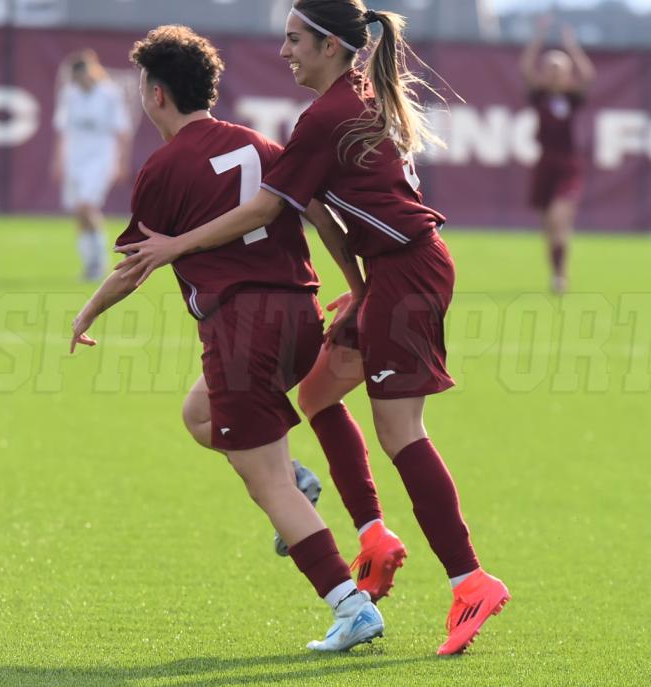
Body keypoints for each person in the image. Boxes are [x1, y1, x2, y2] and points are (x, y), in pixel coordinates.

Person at [114, 1, 510, 656]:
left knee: (401, 431)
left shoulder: (324, 118)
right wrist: (361, 288)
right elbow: (326, 210)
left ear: (330, 47)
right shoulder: (352, 100)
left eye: (295, 39)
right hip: (393, 272)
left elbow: (266, 208)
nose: (284, 51)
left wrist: (175, 244)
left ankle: (470, 579)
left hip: (408, 273)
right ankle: (374, 536)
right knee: (319, 394)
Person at [70, 25, 383, 651]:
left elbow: (136, 265)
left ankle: (350, 605)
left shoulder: (163, 169)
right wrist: (358, 286)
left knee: (263, 481)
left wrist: (89, 311)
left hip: (243, 327)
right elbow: (321, 215)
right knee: (198, 414)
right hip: (300, 316)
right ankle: (295, 478)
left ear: (157, 95)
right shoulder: (260, 144)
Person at [519, 16, 596, 294]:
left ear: (567, 73)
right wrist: (538, 37)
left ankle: (561, 275)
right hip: (545, 164)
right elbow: (526, 68)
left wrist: (571, 46)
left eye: (559, 68)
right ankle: (557, 271)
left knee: (558, 218)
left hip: (568, 165)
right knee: (549, 228)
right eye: (549, 67)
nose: (553, 72)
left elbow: (588, 75)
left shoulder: (572, 99)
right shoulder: (540, 96)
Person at [52, 49, 132, 281]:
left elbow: (123, 130)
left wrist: (121, 162)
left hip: (100, 157)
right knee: (79, 211)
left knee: (88, 205)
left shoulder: (109, 94)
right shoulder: (70, 94)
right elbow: (63, 129)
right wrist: (58, 160)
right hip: (75, 157)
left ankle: (99, 260)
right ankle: (89, 263)